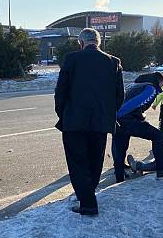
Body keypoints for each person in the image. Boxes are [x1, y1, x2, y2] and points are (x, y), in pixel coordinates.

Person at [54, 28, 125, 215]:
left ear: (81, 42)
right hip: (101, 122)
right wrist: (109, 114)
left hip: (74, 121)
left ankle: (88, 203)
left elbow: (60, 91)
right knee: (95, 160)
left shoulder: (72, 59)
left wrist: (63, 114)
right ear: (98, 42)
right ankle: (88, 194)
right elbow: (120, 96)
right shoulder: (113, 62)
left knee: (78, 161)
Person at [112, 72, 163, 183]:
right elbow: (133, 104)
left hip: (117, 120)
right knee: (157, 135)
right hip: (127, 120)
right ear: (158, 80)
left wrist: (115, 117)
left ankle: (119, 177)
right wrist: (140, 117)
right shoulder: (150, 88)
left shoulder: (135, 85)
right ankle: (161, 170)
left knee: (120, 148)